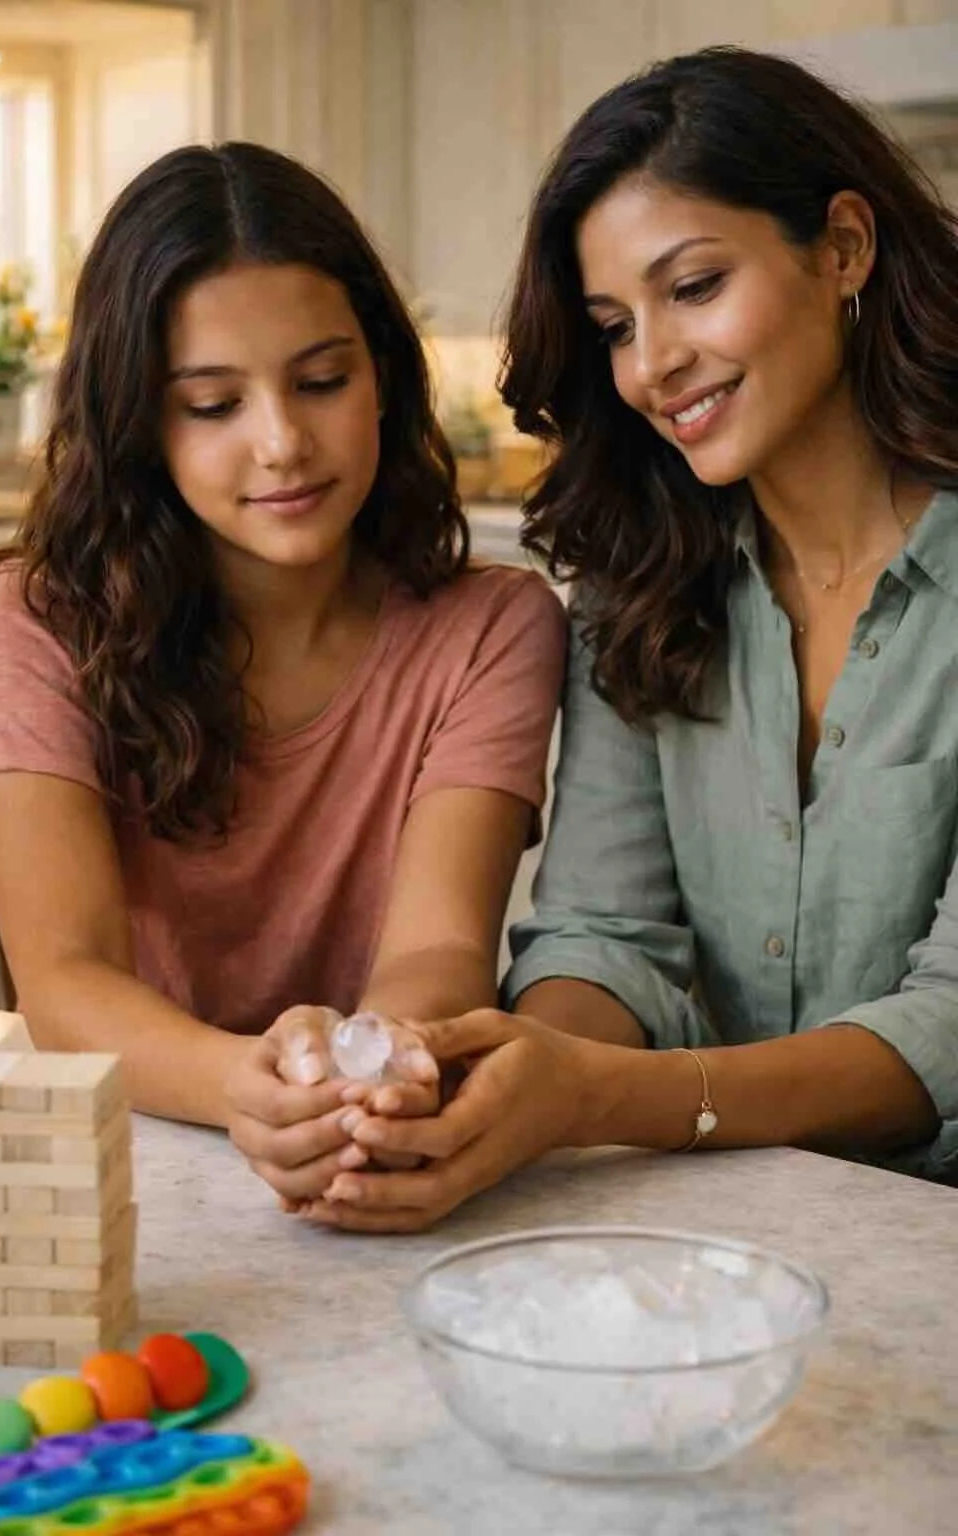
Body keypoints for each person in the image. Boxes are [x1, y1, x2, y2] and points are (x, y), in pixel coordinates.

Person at [299, 46, 958, 1233]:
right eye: (613, 325)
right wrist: (509, 1077)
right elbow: (605, 935)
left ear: (844, 248)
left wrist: (603, 1095)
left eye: (694, 286)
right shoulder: (641, 577)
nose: (651, 365)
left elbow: (949, 1023)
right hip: (707, 1231)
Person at [0, 142, 566, 1210]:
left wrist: (378, 1073)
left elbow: (439, 945)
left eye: (322, 382)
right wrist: (246, 1084)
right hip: (119, 1165)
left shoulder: (493, 628)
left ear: (383, 378)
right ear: (140, 422)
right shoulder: (33, 623)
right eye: (212, 405)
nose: (283, 443)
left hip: (365, 1146)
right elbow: (65, 979)